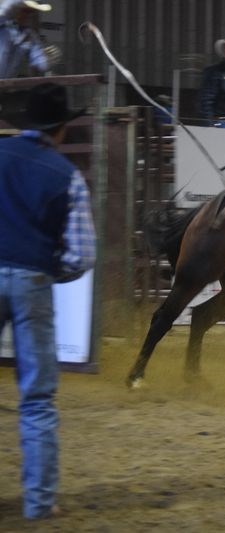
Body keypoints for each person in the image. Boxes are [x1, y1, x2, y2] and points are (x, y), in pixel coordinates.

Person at [0, 82, 96, 519]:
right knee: (36, 396)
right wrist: (48, 267)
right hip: (32, 280)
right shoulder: (66, 176)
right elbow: (82, 255)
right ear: (61, 128)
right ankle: (38, 502)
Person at [0, 0, 61, 79]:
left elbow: (40, 62)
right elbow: (4, 12)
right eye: (25, 11)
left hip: (4, 86)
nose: (27, 15)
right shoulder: (3, 26)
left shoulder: (29, 36)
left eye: (31, 12)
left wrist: (47, 60)